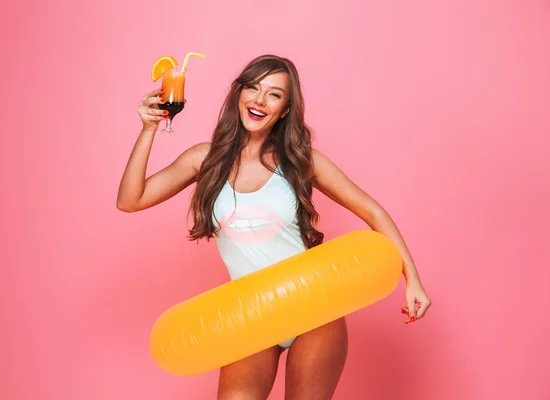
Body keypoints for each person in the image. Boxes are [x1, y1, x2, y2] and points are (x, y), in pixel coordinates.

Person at [117, 54, 431, 400]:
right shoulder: (204, 159)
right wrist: (149, 129)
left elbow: (372, 211)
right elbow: (132, 200)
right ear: (238, 95)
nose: (259, 100)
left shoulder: (300, 160)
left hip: (314, 306)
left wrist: (412, 279)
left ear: (284, 109)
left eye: (273, 94)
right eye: (253, 88)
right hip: (251, 313)